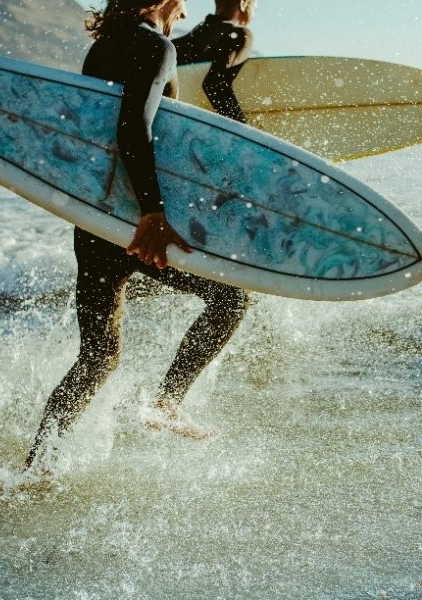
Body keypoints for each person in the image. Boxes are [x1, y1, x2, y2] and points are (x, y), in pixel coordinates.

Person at [26, 0, 252, 468]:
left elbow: (92, 128)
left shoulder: (105, 46)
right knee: (232, 298)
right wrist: (152, 213)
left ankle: (35, 468)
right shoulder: (155, 46)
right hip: (136, 220)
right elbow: (134, 127)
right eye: (183, 3)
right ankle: (167, 402)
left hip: (95, 219)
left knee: (97, 359)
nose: (185, 14)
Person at [172, 0, 256, 123]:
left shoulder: (183, 42)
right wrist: (243, 129)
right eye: (255, 6)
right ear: (243, 3)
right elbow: (214, 84)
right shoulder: (240, 35)